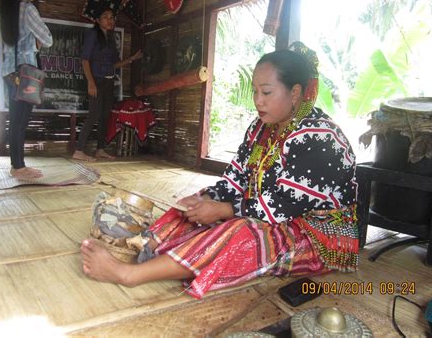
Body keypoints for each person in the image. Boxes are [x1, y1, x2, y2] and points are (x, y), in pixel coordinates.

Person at [81, 42, 359, 299]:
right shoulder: (260, 127)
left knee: (242, 232)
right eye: (254, 91)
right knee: (200, 202)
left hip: (314, 237)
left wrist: (225, 210)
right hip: (267, 214)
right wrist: (209, 198)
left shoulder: (320, 139)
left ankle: (130, 274)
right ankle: (147, 246)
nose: (257, 101)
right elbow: (235, 179)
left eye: (267, 92)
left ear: (295, 92)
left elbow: (280, 207)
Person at [72, 8, 143, 162]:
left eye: (112, 17)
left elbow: (115, 64)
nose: (110, 20)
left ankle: (100, 149)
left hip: (109, 81)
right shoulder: (92, 35)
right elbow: (85, 60)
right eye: (105, 17)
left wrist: (131, 59)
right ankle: (78, 150)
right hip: (96, 80)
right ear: (97, 20)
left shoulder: (110, 38)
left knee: (105, 115)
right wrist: (91, 82)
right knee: (94, 115)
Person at [0, 0, 53, 179]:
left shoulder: (4, 10)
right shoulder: (27, 8)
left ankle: (17, 165)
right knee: (21, 122)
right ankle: (19, 167)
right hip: (25, 71)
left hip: (9, 71)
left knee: (15, 121)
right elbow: (48, 39)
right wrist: (36, 44)